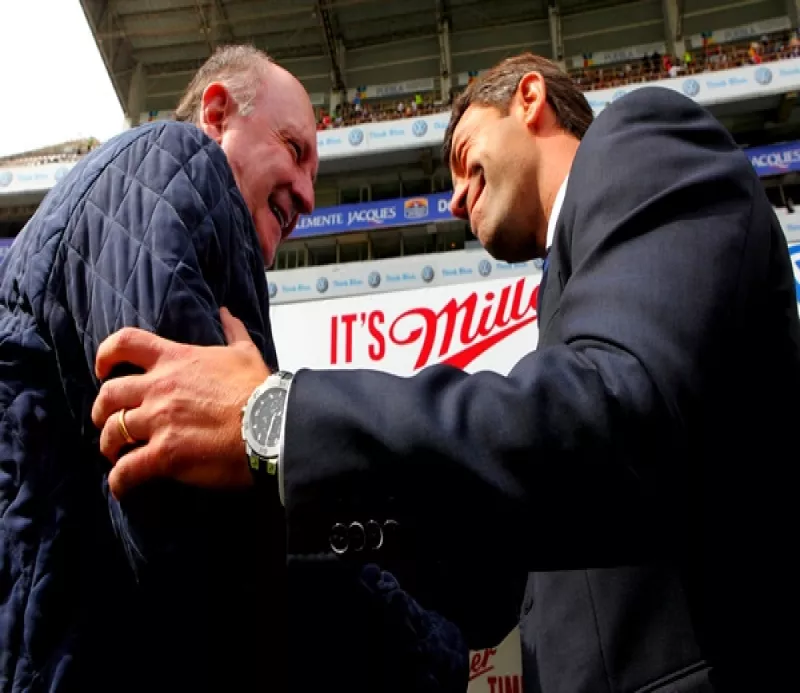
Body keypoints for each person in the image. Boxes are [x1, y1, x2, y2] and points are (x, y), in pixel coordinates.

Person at [90, 53, 799, 691]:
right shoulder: (566, 296)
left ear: (529, 98)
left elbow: (616, 417)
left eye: (462, 155)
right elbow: (504, 573)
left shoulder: (643, 140)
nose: (456, 198)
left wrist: (279, 414)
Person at [0, 45, 467, 693]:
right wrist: (421, 641)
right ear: (217, 114)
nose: (307, 195)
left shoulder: (182, 220)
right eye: (294, 148)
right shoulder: (172, 158)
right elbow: (200, 526)